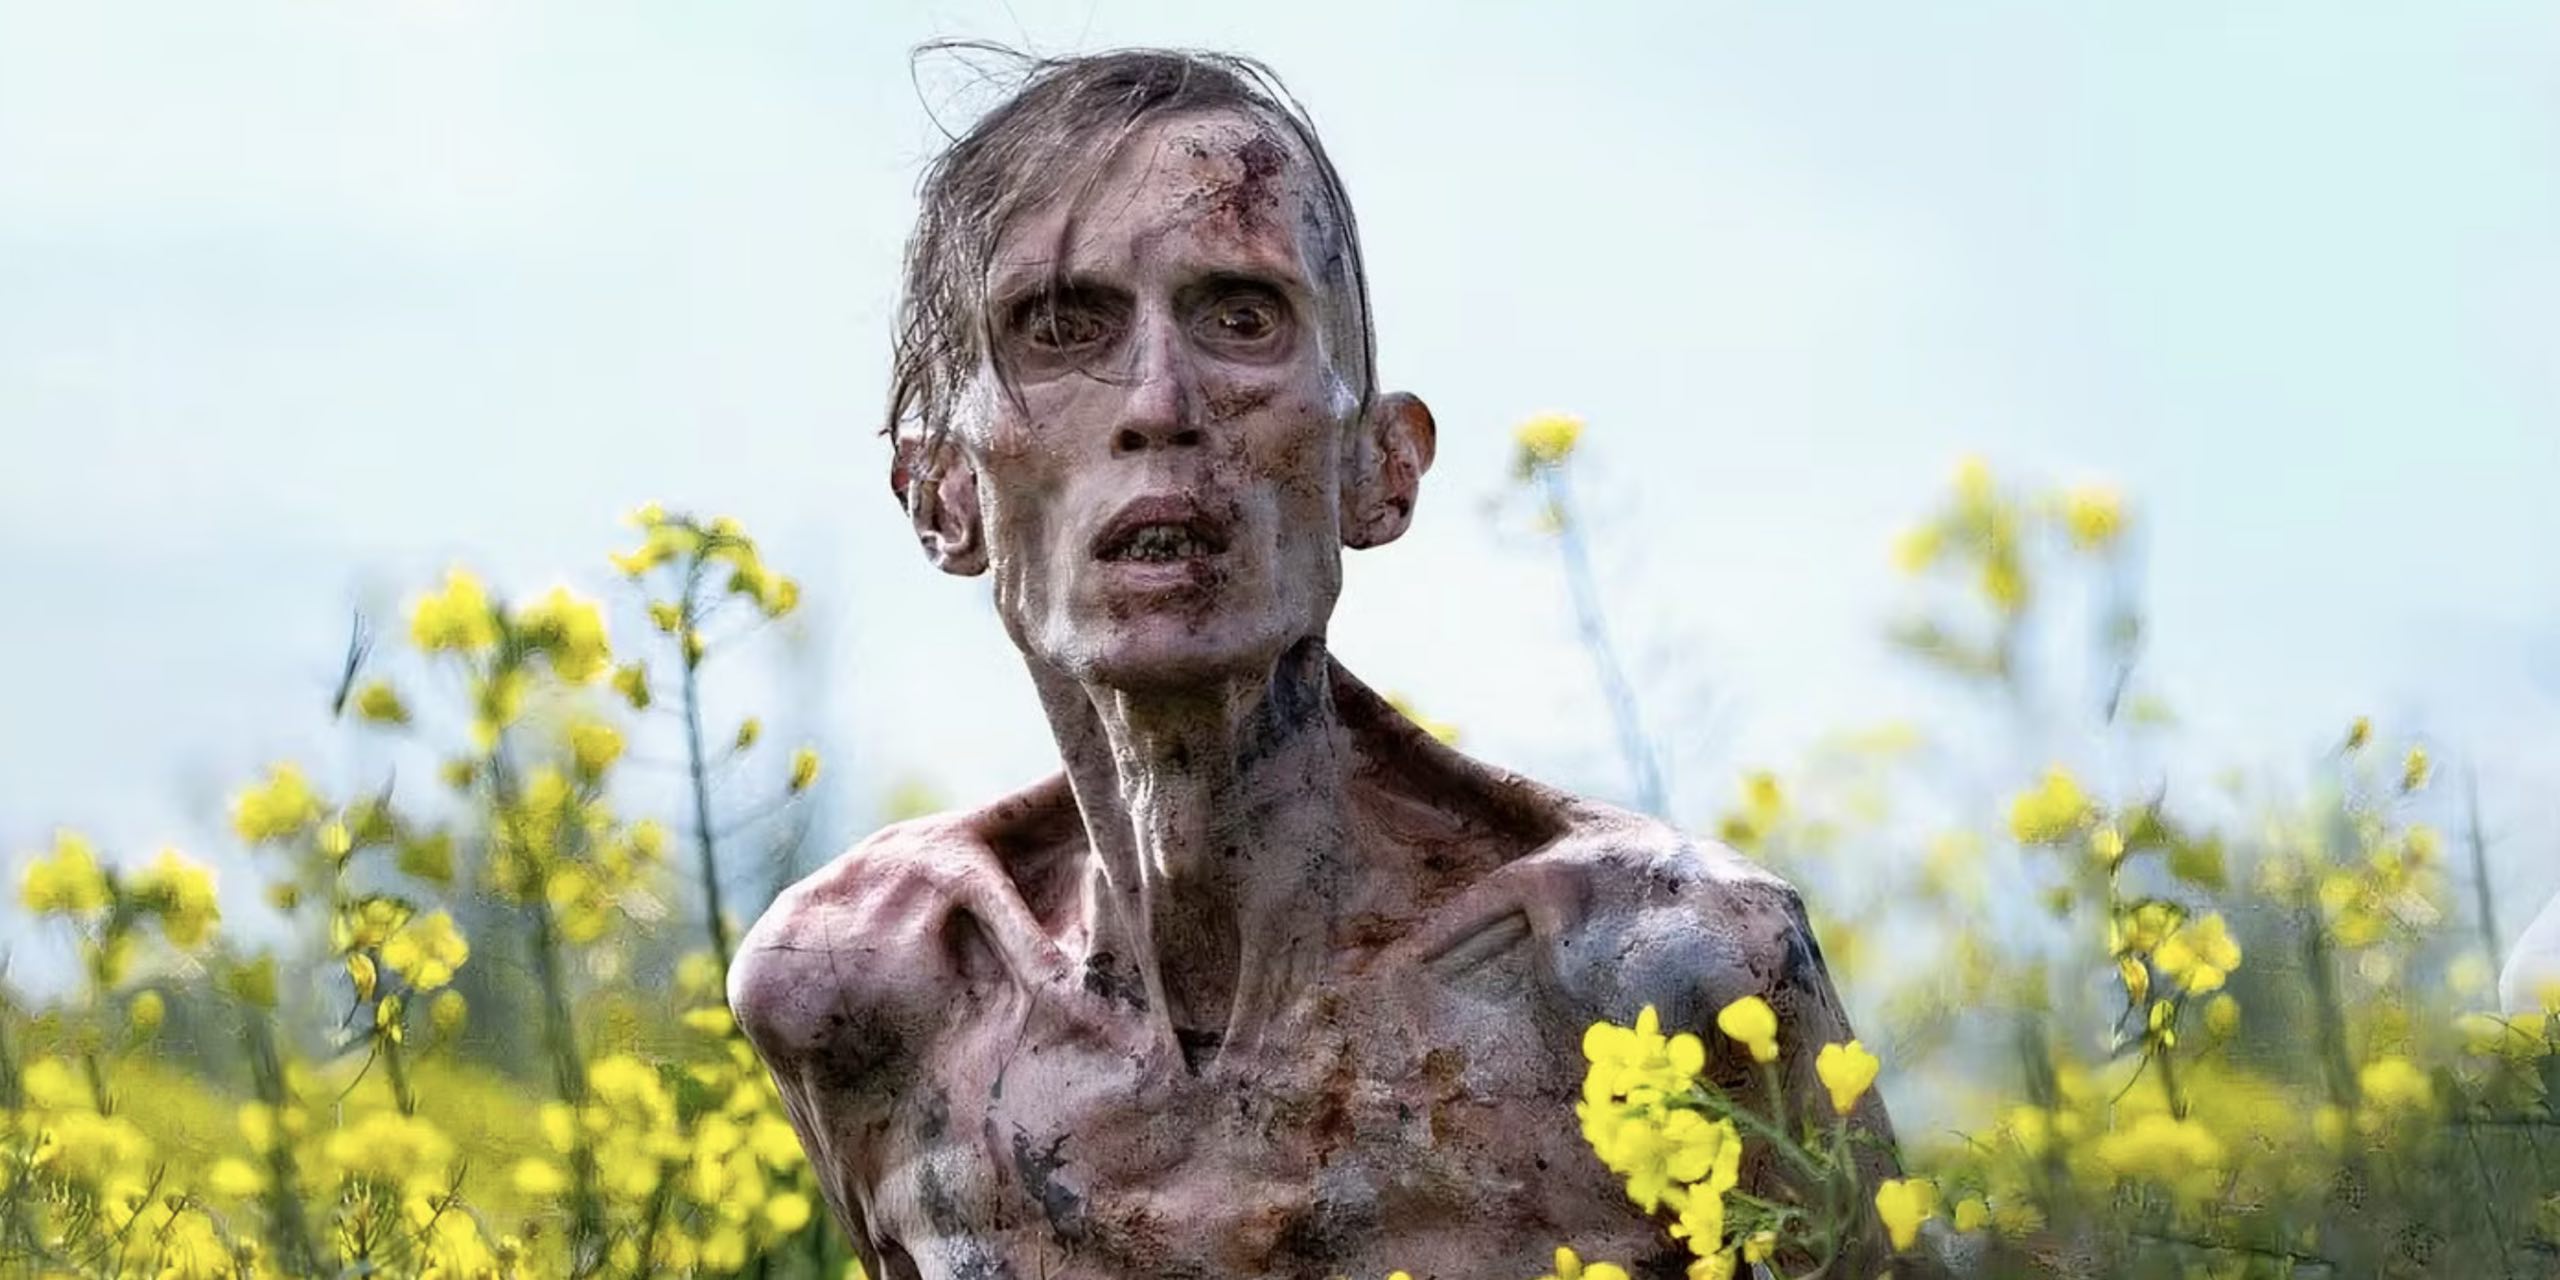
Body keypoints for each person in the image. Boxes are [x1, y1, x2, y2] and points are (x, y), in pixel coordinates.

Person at [731, 47, 1918, 1279]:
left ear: (1380, 465)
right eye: (1062, 328)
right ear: (939, 491)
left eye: (1243, 318)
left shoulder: (1657, 966)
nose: (1160, 401)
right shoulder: (869, 989)